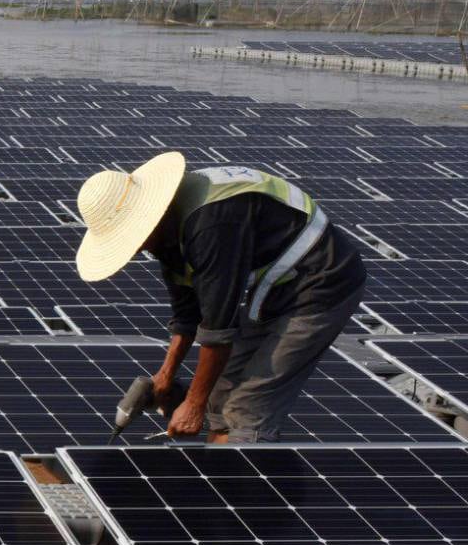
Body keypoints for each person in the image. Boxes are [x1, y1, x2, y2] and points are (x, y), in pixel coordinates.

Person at [75, 152, 367, 442]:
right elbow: (188, 314)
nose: (137, 249)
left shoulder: (210, 227)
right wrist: (165, 375)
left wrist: (192, 404)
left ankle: (242, 479)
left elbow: (217, 329)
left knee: (247, 409)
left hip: (324, 281)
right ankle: (222, 465)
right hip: (277, 288)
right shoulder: (171, 228)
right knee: (219, 396)